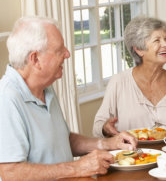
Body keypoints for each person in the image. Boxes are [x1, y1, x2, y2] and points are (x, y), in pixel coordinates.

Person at [0, 17, 137, 181]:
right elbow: (10, 172)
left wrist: (108, 144)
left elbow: (63, 140)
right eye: (59, 50)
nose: (67, 54)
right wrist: (78, 167)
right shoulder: (6, 99)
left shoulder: (45, 87)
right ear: (35, 59)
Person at [93, 16, 166, 137]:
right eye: (157, 40)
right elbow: (97, 127)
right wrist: (105, 128)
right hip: (131, 154)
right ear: (138, 49)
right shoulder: (119, 83)